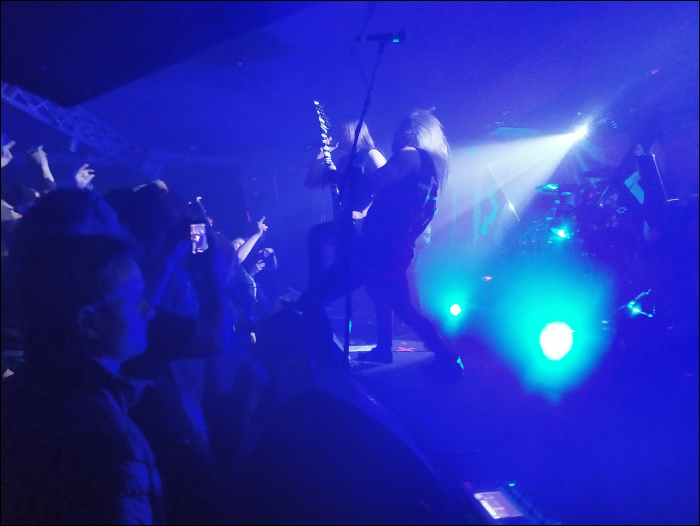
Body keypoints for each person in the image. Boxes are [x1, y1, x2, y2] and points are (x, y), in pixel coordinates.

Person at [1, 233, 164, 524]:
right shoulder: (106, 439)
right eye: (135, 300)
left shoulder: (18, 394)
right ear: (89, 322)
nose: (150, 312)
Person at [299, 109, 462, 377]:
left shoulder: (409, 154)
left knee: (312, 300)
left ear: (411, 131)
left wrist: (336, 176)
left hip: (376, 250)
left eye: (400, 129)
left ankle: (329, 366)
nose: (394, 135)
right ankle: (448, 360)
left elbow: (372, 183)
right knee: (405, 309)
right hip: (393, 250)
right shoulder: (428, 166)